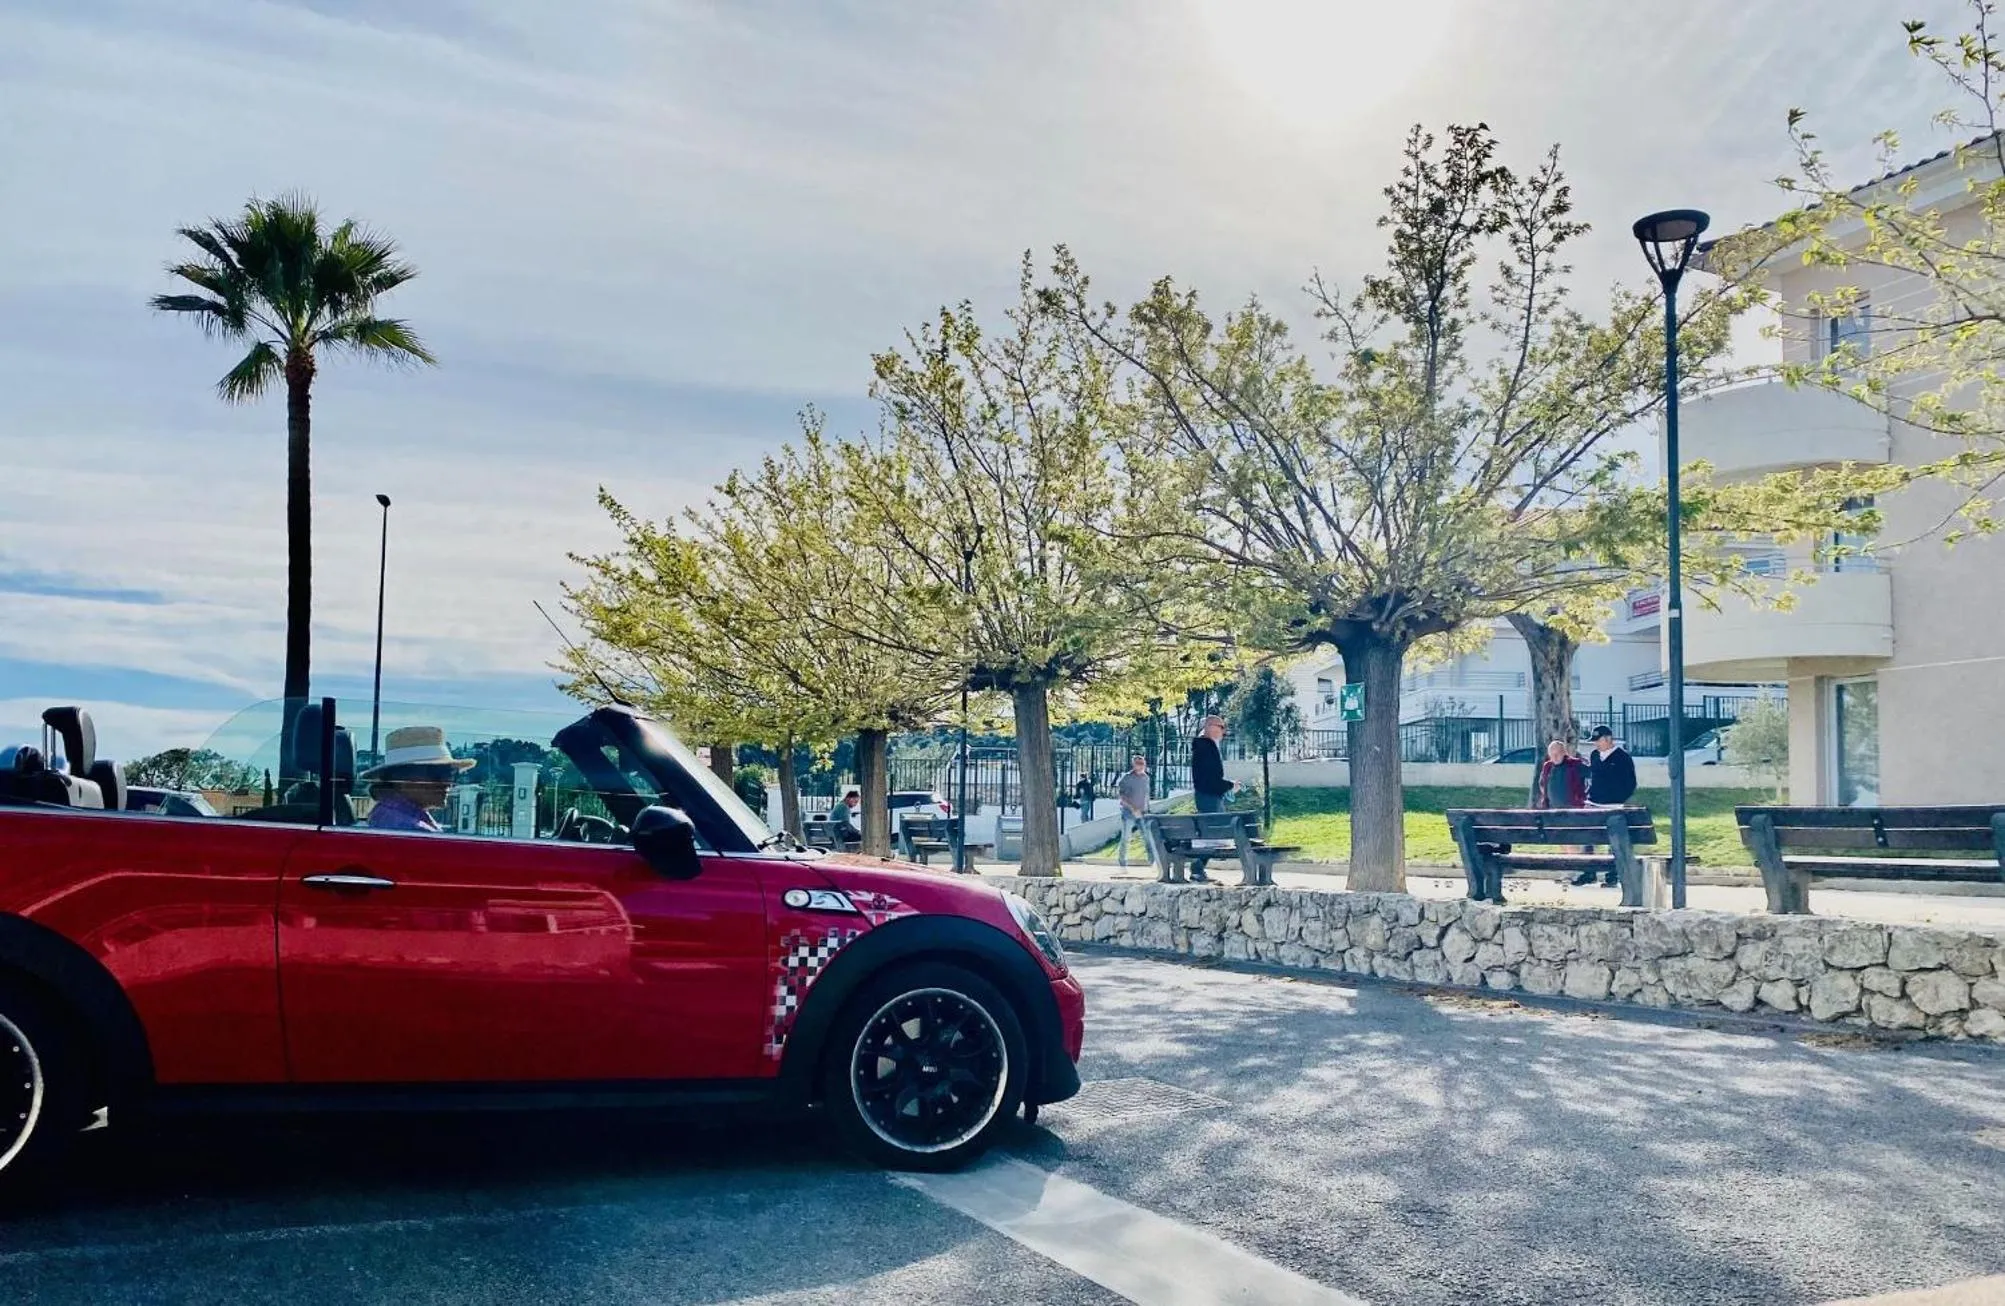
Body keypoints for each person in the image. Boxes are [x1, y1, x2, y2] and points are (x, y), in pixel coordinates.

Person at [362, 725, 475, 832]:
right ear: (403, 779)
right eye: (437, 774)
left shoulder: (391, 815)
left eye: (450, 774)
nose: (448, 783)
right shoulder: (409, 828)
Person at [1578, 725, 1639, 886]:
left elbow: (1630, 783)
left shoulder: (1622, 757)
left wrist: (1618, 798)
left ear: (1608, 739)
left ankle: (1612, 874)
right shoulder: (1595, 756)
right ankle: (1588, 871)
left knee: (1613, 840)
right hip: (1594, 802)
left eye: (1598, 741)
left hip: (1613, 804)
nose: (1596, 744)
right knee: (1588, 837)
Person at [1188, 715, 1235, 883]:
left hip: (1206, 795)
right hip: (1209, 796)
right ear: (1209, 726)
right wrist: (1229, 785)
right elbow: (1210, 779)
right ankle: (1197, 868)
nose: (1224, 731)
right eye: (1221, 727)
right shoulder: (1206, 747)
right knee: (1214, 832)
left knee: (1211, 834)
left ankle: (1198, 868)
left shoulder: (1204, 746)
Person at [1115, 755, 1152, 869]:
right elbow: (1122, 797)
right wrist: (1133, 809)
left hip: (1142, 813)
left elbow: (1146, 795)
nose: (1141, 766)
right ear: (1133, 765)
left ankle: (1153, 862)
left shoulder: (1146, 778)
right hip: (1128, 813)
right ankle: (1122, 863)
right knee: (1126, 838)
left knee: (1148, 838)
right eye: (1138, 763)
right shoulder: (1127, 778)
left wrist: (1147, 809)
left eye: (1142, 763)